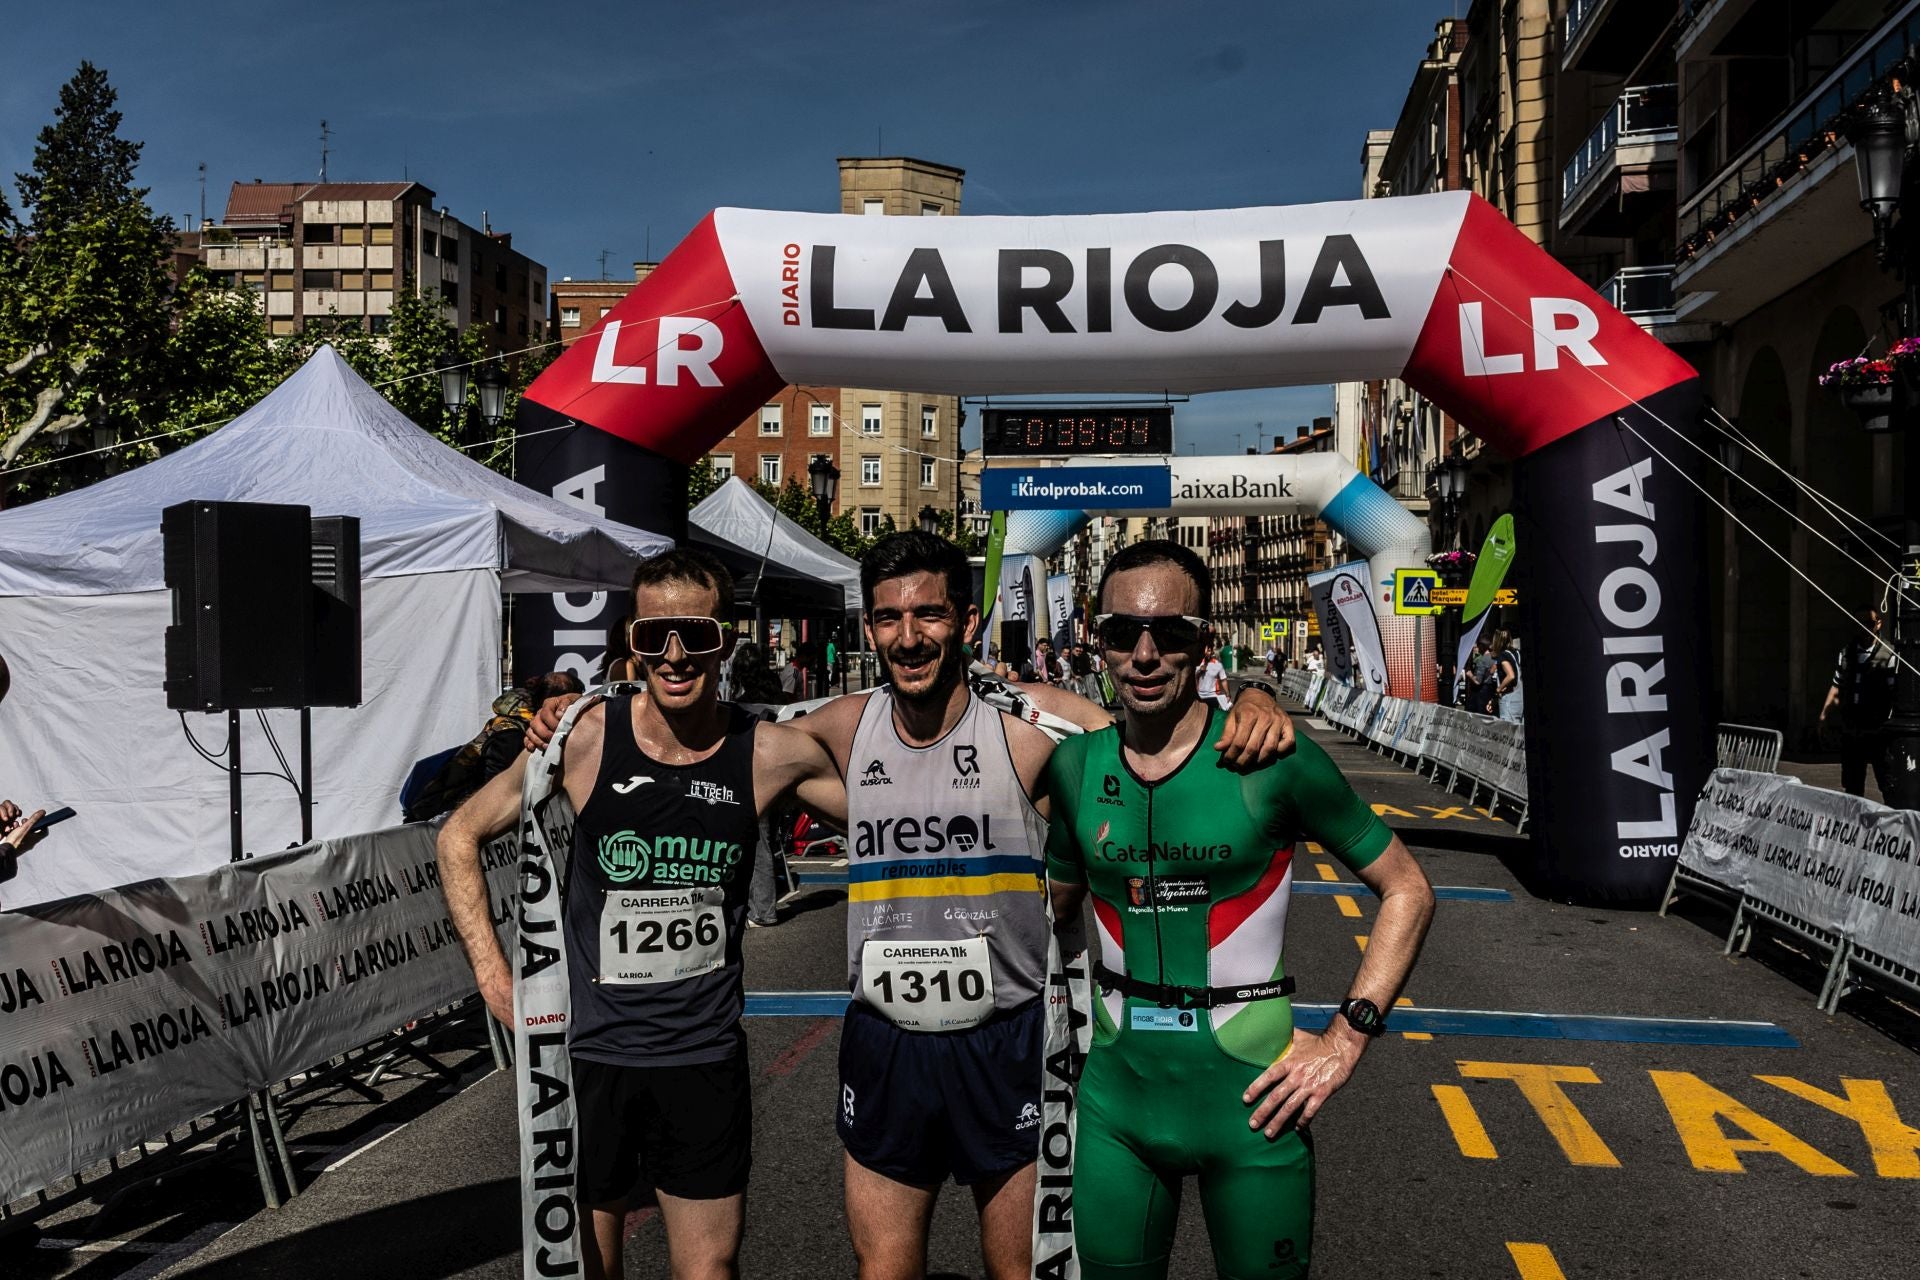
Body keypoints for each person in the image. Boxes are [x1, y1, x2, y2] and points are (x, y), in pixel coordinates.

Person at [529, 535, 1296, 1280]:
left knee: (1017, 1265)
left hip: (1007, 1036)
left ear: (964, 624)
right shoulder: (837, 725)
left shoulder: (1031, 727)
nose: (909, 635)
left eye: (928, 615)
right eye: (889, 618)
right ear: (870, 628)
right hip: (886, 1043)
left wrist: (1248, 697)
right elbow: (701, 734)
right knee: (885, 1265)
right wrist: (578, 714)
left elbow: (1153, 728)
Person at [437, 549, 847, 1280]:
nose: (676, 654)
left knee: (708, 1271)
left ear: (726, 637)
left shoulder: (771, 753)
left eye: (695, 632)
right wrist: (495, 981)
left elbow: (904, 803)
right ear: (633, 640)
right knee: (592, 1270)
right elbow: (458, 836)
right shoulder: (586, 738)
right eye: (655, 636)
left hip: (702, 1058)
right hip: (591, 1058)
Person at [1044, 539, 1435, 1279]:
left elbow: (1408, 888)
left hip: (1253, 1106)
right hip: (1114, 1108)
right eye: (1123, 633)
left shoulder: (1272, 759)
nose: (1146, 654)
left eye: (1173, 634)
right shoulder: (1074, 768)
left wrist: (1346, 1040)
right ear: (1100, 643)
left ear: (1206, 644)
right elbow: (1049, 912)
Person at [1821, 605, 1897, 797]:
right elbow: (1836, 685)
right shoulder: (1846, 653)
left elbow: (1894, 692)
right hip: (1852, 727)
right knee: (1852, 784)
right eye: (1858, 623)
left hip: (1878, 728)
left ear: (1878, 624)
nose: (1863, 628)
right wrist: (1823, 715)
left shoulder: (1889, 654)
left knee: (1887, 781)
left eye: (1868, 623)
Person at [1493, 631, 1523, 724]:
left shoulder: (1503, 655)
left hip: (1509, 700)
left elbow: (1510, 675)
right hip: (1520, 698)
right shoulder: (1517, 653)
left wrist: (1499, 689)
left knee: (1508, 731)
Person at [1196, 643, 1232, 711]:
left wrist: (1228, 695)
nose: (1207, 653)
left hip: (1213, 696)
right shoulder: (1197, 664)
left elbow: (1224, 680)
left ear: (1212, 651)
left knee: (1216, 715)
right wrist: (1199, 670)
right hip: (1200, 696)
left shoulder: (1218, 665)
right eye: (1206, 650)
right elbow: (1193, 679)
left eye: (1209, 650)